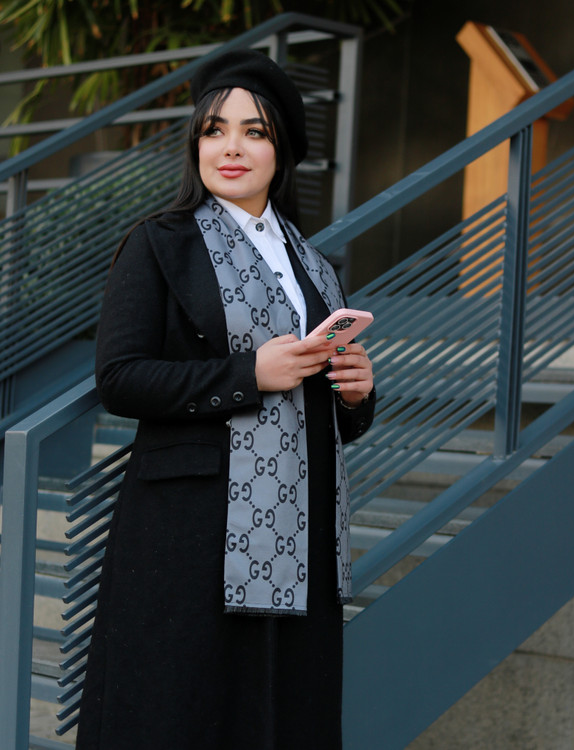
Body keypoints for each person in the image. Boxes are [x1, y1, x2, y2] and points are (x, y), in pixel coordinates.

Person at [75, 48, 375, 750]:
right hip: (190, 534)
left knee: (282, 713)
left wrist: (356, 394)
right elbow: (119, 377)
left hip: (298, 532)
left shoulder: (315, 265)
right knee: (182, 711)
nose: (231, 147)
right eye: (214, 130)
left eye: (254, 131)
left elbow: (327, 408)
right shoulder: (159, 244)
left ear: (282, 151)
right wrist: (248, 373)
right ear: (196, 144)